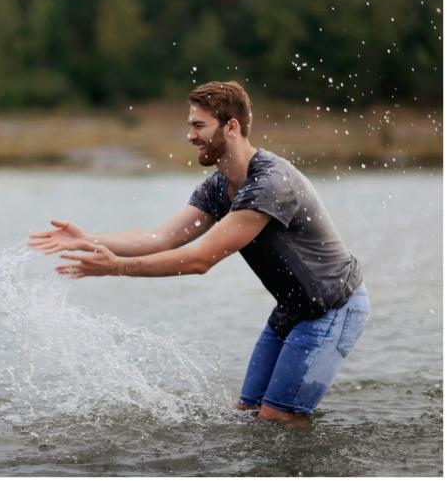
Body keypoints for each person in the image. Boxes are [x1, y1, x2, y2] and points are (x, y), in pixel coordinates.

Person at [29, 81, 370, 426]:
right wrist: (90, 239)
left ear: (232, 127)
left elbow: (200, 259)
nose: (190, 136)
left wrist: (116, 266)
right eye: (190, 126)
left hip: (332, 306)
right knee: (248, 417)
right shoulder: (219, 186)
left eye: (198, 126)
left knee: (277, 418)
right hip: (292, 309)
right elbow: (162, 238)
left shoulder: (269, 184)